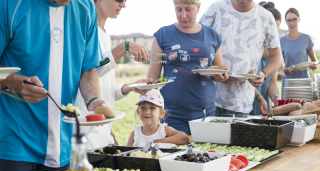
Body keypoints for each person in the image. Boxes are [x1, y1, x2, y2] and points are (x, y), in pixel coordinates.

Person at [0, 0, 106, 171]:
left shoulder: (86, 7)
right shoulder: (9, 4)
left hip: (63, 146)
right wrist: (16, 82)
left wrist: (94, 99)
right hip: (13, 143)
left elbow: (87, 69)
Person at [76, 0, 151, 150]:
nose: (123, 5)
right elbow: (88, 73)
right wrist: (123, 48)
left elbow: (104, 85)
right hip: (87, 128)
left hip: (103, 129)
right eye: (119, 0)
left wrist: (129, 87)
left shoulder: (106, 35)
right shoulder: (83, 30)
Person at [147, 0, 228, 135]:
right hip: (172, 114)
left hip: (206, 114)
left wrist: (222, 76)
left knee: (206, 154)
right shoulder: (162, 35)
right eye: (178, 10)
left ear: (198, 7)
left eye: (188, 9)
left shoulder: (212, 35)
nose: (183, 15)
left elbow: (219, 73)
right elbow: (153, 77)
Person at [200, 0, 282, 116]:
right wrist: (213, 72)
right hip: (208, 100)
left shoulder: (266, 17)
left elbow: (277, 56)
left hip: (241, 105)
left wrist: (263, 74)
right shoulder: (216, 8)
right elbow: (198, 41)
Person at [251, 2, 282, 115]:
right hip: (248, 106)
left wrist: (275, 98)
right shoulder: (252, 48)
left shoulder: (275, 54)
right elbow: (246, 82)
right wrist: (260, 99)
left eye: (277, 29)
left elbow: (272, 84)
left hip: (264, 108)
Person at [280, 8, 318, 97]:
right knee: (287, 110)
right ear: (285, 22)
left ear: (299, 19)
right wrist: (288, 69)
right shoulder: (281, 41)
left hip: (304, 81)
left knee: (306, 109)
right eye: (289, 20)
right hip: (288, 83)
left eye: (294, 19)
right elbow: (279, 67)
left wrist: (314, 64)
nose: (292, 23)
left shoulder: (306, 38)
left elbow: (315, 60)